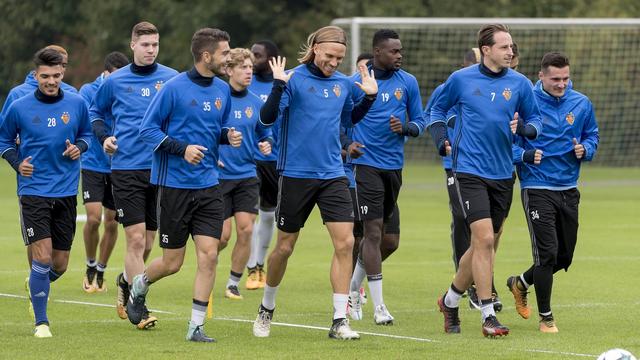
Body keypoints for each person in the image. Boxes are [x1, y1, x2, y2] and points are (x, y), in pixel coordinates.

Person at [252, 25, 378, 340]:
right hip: (295, 174)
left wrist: (369, 98)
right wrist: (278, 86)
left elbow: (350, 121)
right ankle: (267, 308)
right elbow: (264, 120)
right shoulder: (292, 79)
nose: (334, 63)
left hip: (333, 174)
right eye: (330, 56)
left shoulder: (342, 84)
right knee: (284, 247)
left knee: (346, 243)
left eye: (340, 58)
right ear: (316, 48)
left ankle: (339, 321)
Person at [428, 24, 542, 337]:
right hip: (467, 170)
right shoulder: (461, 79)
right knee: (485, 239)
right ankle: (487, 314)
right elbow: (436, 111)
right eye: (504, 47)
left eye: (512, 47)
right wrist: (441, 139)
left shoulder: (519, 84)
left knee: (484, 245)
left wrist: (525, 130)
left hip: (503, 174)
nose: (510, 52)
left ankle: (450, 300)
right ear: (486, 49)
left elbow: (536, 122)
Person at [133, 28, 240, 342]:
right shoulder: (173, 88)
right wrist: (183, 149)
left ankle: (195, 327)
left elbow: (214, 130)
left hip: (209, 185)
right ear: (206, 56)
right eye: (224, 53)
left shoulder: (223, 90)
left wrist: (227, 136)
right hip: (174, 186)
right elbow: (147, 131)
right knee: (172, 263)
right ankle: (138, 286)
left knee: (209, 255)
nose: (229, 57)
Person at [90, 21, 178, 329]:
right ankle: (139, 307)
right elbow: (95, 113)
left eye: (155, 44)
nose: (151, 50)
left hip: (161, 170)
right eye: (145, 45)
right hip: (126, 168)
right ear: (132, 46)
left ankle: (127, 282)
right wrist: (104, 138)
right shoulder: (115, 81)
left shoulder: (171, 79)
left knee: (150, 242)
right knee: (136, 239)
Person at [0, 48, 92, 337]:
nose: (50, 81)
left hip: (66, 191)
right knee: (41, 257)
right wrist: (18, 163)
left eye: (55, 76)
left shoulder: (77, 103)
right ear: (35, 75)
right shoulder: (19, 105)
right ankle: (42, 323)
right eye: (44, 76)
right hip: (33, 190)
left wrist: (80, 148)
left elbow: (87, 135)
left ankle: (35, 283)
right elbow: (4, 140)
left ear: (63, 73)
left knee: (60, 264)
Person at [507, 52, 598, 333]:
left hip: (569, 188)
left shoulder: (581, 103)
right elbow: (505, 144)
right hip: (536, 187)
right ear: (541, 76)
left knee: (564, 257)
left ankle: (520, 282)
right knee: (547, 254)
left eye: (565, 78)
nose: (561, 84)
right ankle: (546, 317)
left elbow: (591, 135)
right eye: (555, 79)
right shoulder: (525, 103)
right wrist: (525, 155)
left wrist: (586, 149)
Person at [346, 29, 425, 325]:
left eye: (400, 50)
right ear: (377, 52)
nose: (399, 55)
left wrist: (404, 128)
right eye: (393, 51)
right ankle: (379, 308)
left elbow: (421, 121)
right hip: (365, 167)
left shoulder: (409, 83)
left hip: (394, 167)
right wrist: (346, 145)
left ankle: (353, 287)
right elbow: (341, 120)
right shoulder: (355, 84)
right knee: (373, 233)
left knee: (389, 241)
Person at [217, 48, 272, 300]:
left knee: (247, 230)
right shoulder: (218, 99)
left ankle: (232, 283)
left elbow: (264, 132)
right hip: (218, 177)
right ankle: (207, 263)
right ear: (229, 70)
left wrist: (265, 143)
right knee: (222, 237)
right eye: (243, 67)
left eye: (250, 67)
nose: (249, 71)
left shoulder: (255, 103)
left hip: (247, 174)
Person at [79, 51, 130, 293]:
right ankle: (89, 264)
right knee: (92, 218)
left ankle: (101, 269)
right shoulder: (89, 91)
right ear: (106, 74)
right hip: (91, 163)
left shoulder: (127, 89)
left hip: (118, 165)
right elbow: (82, 121)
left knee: (111, 223)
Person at [245, 40, 280, 290]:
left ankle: (259, 266)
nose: (252, 57)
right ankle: (248, 269)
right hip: (249, 159)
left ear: (271, 59)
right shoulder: (244, 81)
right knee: (247, 219)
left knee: (269, 216)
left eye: (257, 54)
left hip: (277, 160)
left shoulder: (283, 84)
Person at [1, 45, 78, 122]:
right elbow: (5, 128)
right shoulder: (18, 93)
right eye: (54, 63)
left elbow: (81, 127)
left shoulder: (72, 92)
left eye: (63, 65)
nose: (60, 69)